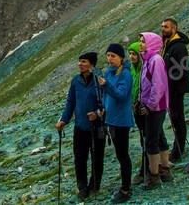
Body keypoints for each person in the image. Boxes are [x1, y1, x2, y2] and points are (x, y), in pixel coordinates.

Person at [55, 52, 104, 201]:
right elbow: (71, 102)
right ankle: (82, 186)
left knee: (97, 157)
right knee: (80, 158)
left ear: (92, 64)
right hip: (80, 126)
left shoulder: (100, 80)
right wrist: (64, 120)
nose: (80, 64)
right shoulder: (76, 81)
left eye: (83, 61)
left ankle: (94, 184)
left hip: (97, 126)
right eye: (79, 61)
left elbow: (106, 102)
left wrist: (97, 113)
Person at [98, 43, 134, 203]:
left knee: (123, 154)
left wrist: (106, 85)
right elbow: (107, 96)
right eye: (108, 56)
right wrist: (103, 109)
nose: (110, 59)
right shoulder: (110, 72)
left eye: (113, 56)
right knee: (119, 154)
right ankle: (124, 185)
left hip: (121, 120)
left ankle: (126, 189)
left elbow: (120, 95)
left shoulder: (125, 74)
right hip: (111, 119)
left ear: (121, 58)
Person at [137, 31, 171, 190]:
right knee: (160, 137)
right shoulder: (148, 59)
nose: (140, 44)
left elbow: (158, 85)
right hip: (154, 105)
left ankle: (154, 175)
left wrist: (149, 105)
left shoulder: (155, 60)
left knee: (151, 140)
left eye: (143, 41)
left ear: (151, 43)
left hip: (155, 107)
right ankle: (165, 170)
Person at [161, 17, 189, 161]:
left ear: (174, 28)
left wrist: (166, 81)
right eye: (162, 27)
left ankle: (178, 151)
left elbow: (181, 70)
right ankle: (177, 148)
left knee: (178, 118)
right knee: (175, 118)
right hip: (171, 88)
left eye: (166, 27)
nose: (163, 29)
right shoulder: (169, 44)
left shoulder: (179, 47)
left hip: (176, 89)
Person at [127, 41, 145, 187]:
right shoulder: (132, 69)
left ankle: (148, 168)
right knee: (143, 136)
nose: (131, 57)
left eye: (134, 54)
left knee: (147, 137)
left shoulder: (143, 68)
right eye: (130, 54)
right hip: (136, 107)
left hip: (144, 107)